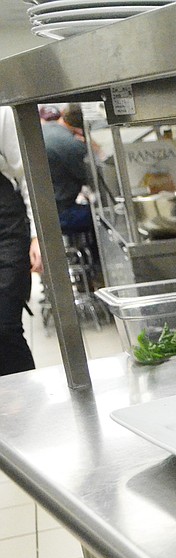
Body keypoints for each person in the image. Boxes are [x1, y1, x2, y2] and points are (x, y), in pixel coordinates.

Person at [0, 106, 38, 376]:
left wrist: (38, 235)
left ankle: (30, 410)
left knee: (4, 326)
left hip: (6, 230)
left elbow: (28, 175)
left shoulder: (2, 112)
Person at [41, 104, 94, 235]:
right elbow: (91, 178)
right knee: (97, 217)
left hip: (42, 211)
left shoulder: (43, 130)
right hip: (61, 213)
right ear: (81, 129)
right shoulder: (73, 145)